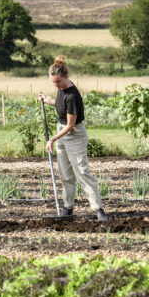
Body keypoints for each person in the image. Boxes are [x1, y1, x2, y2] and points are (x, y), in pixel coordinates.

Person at [39, 56, 109, 221]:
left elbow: (70, 125)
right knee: (65, 174)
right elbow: (58, 104)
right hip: (61, 133)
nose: (56, 85)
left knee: (82, 172)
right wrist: (46, 100)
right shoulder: (60, 90)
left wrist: (52, 139)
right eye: (53, 83)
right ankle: (68, 208)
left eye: (58, 82)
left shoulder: (72, 95)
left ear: (66, 76)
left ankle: (98, 209)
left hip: (74, 134)